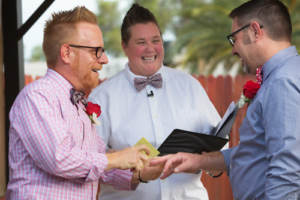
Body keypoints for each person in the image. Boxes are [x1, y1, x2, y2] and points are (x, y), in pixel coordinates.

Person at [151, 0, 300, 199]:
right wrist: (198, 161)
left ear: (255, 30)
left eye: (234, 39)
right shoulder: (282, 77)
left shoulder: (282, 82)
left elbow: (287, 171)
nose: (233, 50)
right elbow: (255, 153)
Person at [6, 6, 151, 200]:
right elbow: (59, 159)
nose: (105, 59)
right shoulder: (37, 96)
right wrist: (117, 158)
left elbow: (98, 165)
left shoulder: (80, 105)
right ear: (66, 53)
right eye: (96, 51)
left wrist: (141, 172)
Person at [88, 3, 221, 200]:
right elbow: (91, 163)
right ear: (125, 46)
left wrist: (202, 160)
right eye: (141, 41)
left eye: (156, 40)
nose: (150, 48)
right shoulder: (101, 98)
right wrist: (136, 175)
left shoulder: (190, 86)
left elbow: (219, 145)